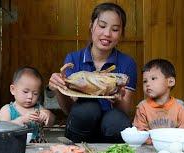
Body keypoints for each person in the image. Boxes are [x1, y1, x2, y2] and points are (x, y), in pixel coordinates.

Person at [48, 2, 137, 143]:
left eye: (115, 29)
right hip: (80, 128)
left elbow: (124, 111)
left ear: (121, 33)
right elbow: (69, 110)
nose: (107, 34)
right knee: (88, 108)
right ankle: (75, 152)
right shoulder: (73, 59)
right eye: (102, 26)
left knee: (116, 119)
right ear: (91, 26)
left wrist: (118, 99)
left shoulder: (127, 63)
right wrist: (59, 88)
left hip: (111, 130)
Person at [133, 58, 184, 144]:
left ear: (170, 82)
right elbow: (140, 134)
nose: (147, 84)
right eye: (145, 81)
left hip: (174, 148)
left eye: (153, 79)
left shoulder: (181, 107)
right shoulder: (142, 107)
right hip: (149, 149)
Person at [0, 66, 55, 142]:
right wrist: (21, 120)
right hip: (14, 146)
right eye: (25, 92)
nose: (30, 97)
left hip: (37, 148)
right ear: (13, 90)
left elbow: (51, 123)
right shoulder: (7, 110)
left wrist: (47, 114)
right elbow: (2, 129)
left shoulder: (38, 109)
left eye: (35, 93)